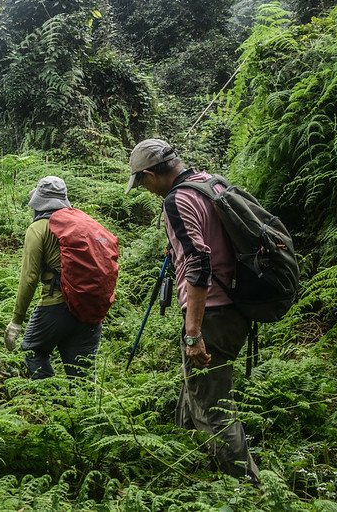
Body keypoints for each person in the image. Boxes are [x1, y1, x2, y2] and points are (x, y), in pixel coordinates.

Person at [125, 138, 261, 484]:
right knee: (198, 389)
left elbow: (200, 263)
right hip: (237, 307)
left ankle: (251, 488)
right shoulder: (212, 184)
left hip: (212, 313)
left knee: (214, 409)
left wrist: (193, 332)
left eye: (141, 181)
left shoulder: (178, 199)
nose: (144, 189)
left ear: (152, 174)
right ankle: (187, 457)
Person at [4, 176, 102, 379]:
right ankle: (82, 410)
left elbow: (29, 277)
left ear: (38, 201)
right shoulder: (84, 222)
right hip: (91, 305)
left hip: (56, 303)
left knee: (33, 350)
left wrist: (16, 320)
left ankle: (52, 404)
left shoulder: (37, 228)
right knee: (80, 373)